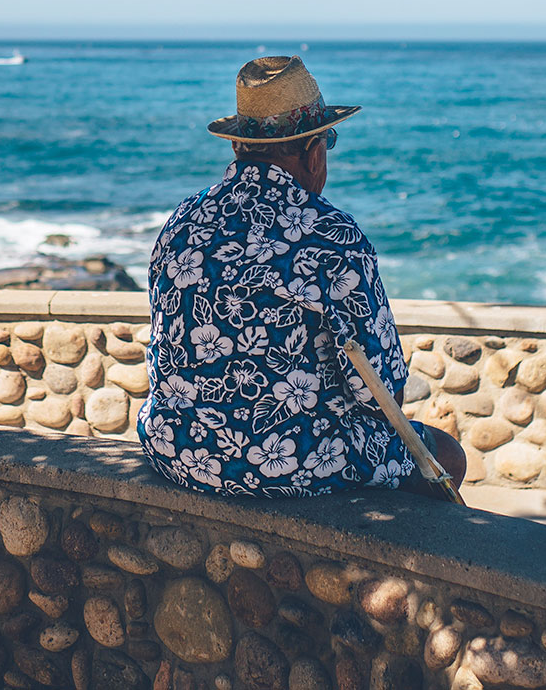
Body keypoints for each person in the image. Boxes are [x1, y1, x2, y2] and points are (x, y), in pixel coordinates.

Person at [136, 55, 466, 497]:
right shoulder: (332, 236)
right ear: (313, 152)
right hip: (288, 466)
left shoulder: (184, 219)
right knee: (446, 455)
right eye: (328, 141)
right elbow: (383, 394)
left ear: (238, 146)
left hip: (179, 451)